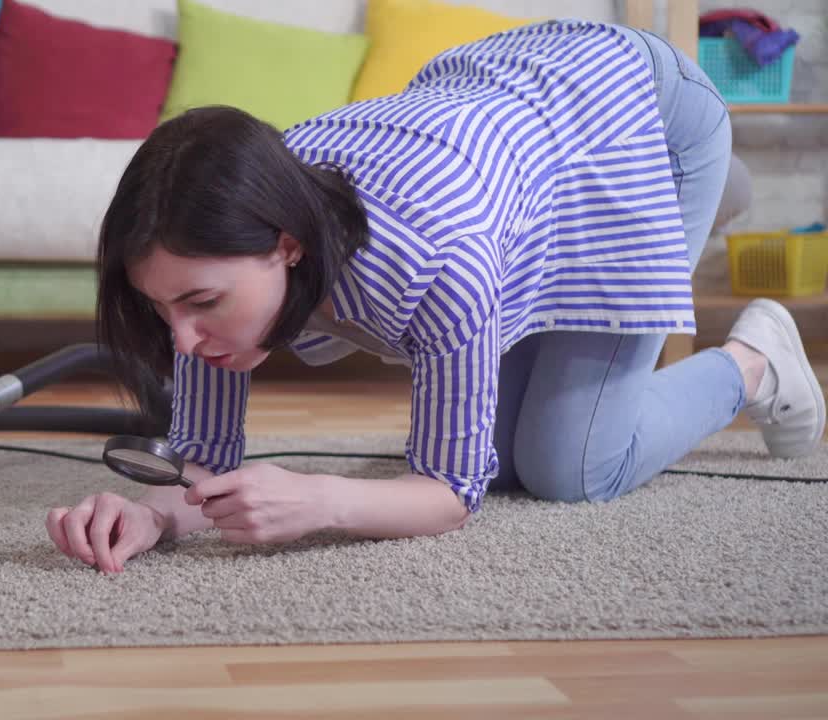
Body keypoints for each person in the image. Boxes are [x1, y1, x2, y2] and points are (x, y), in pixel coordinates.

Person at [45, 19, 826, 574]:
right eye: (161, 309)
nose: (180, 339)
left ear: (288, 246)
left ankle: (755, 357)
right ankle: (713, 195)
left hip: (629, 108)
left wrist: (322, 499)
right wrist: (151, 514)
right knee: (507, 464)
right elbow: (202, 467)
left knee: (571, 469)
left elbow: (450, 495)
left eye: (199, 304)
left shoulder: (436, 255)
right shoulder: (229, 245)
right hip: (506, 109)